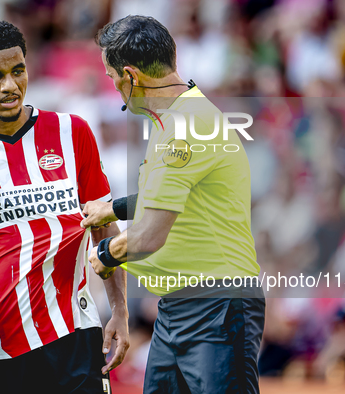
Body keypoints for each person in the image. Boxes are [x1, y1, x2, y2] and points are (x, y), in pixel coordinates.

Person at [0, 19, 129, 394]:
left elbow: (104, 227)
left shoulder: (73, 132)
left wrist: (121, 311)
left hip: (77, 336)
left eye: (18, 71)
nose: (10, 86)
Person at [81, 15, 265, 393]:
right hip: (178, 308)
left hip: (218, 306)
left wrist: (106, 252)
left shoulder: (186, 125)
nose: (113, 86)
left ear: (130, 76)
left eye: (111, 75)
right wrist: (111, 209)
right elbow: (170, 196)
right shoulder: (178, 118)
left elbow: (149, 235)